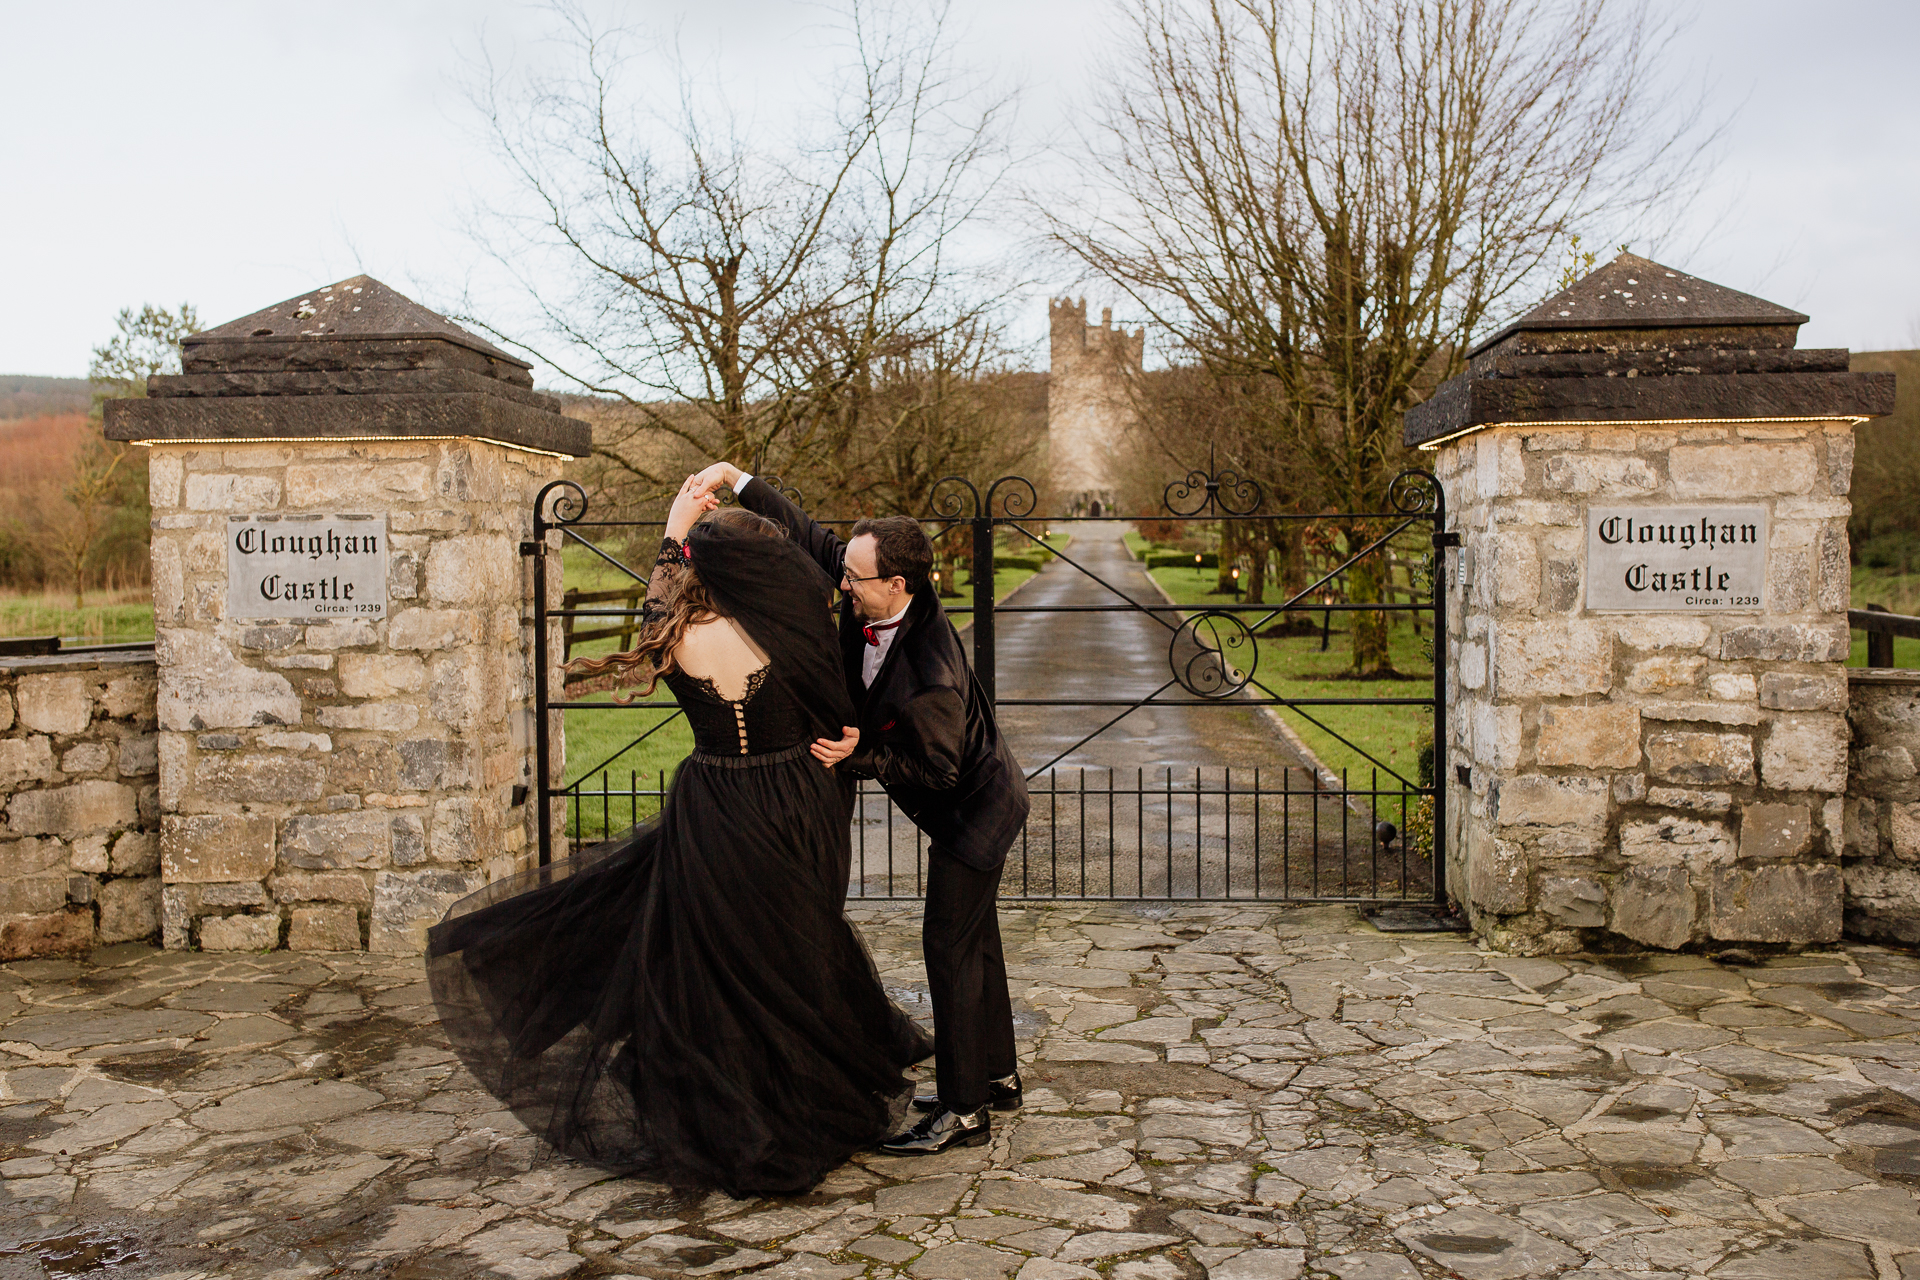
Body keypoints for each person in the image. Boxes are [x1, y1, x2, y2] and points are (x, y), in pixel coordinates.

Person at [425, 480, 933, 1197]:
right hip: (794, 799)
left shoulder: (678, 637)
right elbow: (816, 581)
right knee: (788, 946)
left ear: (705, 569)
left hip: (716, 800)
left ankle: (726, 1105)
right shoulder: (800, 623)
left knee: (718, 954)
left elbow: (656, 604)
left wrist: (675, 529)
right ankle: (794, 1098)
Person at [691, 461, 1030, 1156]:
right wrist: (739, 479)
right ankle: (996, 1075)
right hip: (965, 801)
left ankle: (965, 1111)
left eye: (854, 577)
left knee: (950, 947)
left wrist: (859, 757)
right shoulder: (869, 589)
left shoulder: (929, 669)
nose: (840, 581)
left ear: (897, 585)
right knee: (978, 944)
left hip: (976, 812)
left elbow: (936, 771)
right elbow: (811, 537)